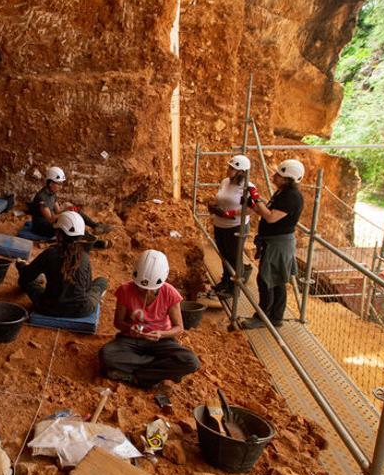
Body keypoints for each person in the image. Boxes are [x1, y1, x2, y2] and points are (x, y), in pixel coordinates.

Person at [99, 250, 200, 387]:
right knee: (107, 355)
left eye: (151, 289)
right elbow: (118, 322)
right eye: (140, 287)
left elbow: (179, 328)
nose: (145, 292)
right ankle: (158, 370)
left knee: (191, 361)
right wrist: (130, 328)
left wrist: (160, 334)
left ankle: (136, 376)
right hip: (131, 340)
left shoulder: (170, 293)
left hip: (161, 342)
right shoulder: (125, 290)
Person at [240, 159, 305, 329]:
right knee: (275, 280)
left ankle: (263, 317)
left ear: (287, 178)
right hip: (275, 242)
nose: (274, 176)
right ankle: (275, 317)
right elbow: (267, 212)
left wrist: (257, 199)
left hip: (279, 244)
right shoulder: (282, 193)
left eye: (278, 174)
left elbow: (270, 217)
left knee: (267, 280)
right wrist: (254, 203)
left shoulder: (291, 197)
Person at [17, 211, 108, 317]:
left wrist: (21, 266)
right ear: (80, 236)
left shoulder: (49, 253)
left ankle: (28, 270)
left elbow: (25, 278)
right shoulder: (84, 257)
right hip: (81, 310)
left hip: (48, 308)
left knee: (28, 283)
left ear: (58, 233)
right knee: (102, 281)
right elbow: (87, 288)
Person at [207, 155, 256, 297]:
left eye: (232, 168)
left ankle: (234, 288)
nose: (229, 170)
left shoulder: (248, 187)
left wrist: (231, 213)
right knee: (224, 254)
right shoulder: (225, 182)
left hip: (236, 226)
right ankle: (225, 281)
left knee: (234, 257)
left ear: (241, 172)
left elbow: (251, 209)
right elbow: (221, 198)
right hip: (220, 224)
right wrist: (214, 206)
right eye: (230, 167)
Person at [27, 166, 110, 239]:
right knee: (69, 225)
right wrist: (67, 212)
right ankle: (94, 240)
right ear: (51, 183)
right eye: (58, 184)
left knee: (75, 211)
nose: (60, 186)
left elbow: (58, 211)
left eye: (61, 184)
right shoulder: (41, 197)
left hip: (52, 223)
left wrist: (67, 208)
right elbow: (50, 219)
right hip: (42, 228)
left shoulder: (52, 193)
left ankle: (95, 226)